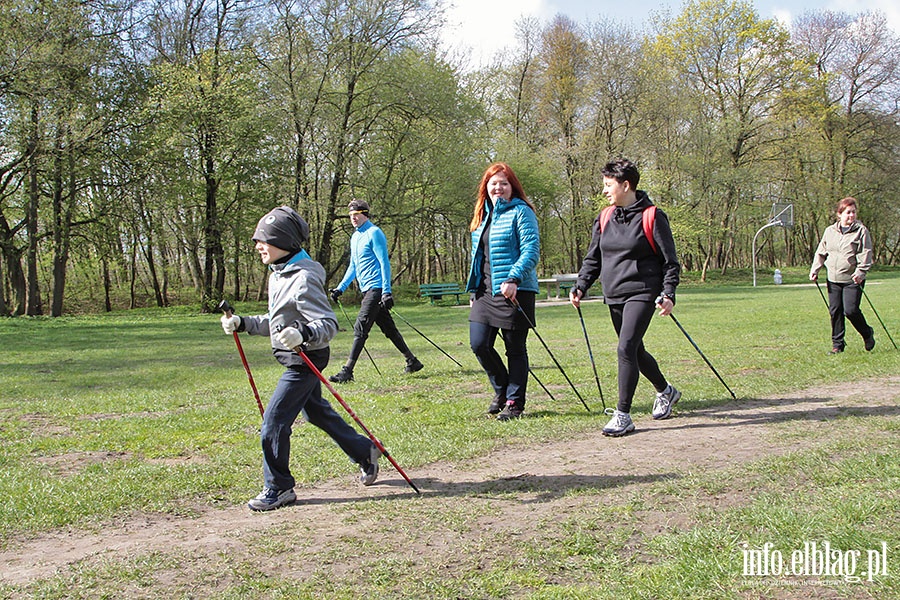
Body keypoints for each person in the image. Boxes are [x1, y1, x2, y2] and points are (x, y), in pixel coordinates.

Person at [221, 206, 380, 511]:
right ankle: (366, 452)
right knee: (316, 413)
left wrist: (304, 333)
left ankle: (279, 487)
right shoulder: (278, 274)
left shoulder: (304, 276)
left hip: (304, 359)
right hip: (293, 355)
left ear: (283, 241)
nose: (258, 246)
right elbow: (276, 321)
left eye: (263, 239)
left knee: (274, 422)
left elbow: (327, 324)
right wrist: (243, 322)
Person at [570, 159, 681, 437]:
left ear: (626, 185)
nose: (605, 191)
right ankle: (666, 391)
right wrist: (581, 285)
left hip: (643, 292)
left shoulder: (653, 216)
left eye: (609, 185)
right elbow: (593, 258)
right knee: (634, 350)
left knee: (625, 348)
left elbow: (670, 262)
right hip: (614, 294)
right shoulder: (605, 217)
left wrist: (668, 294)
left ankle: (623, 415)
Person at [466, 162, 540, 421]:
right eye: (494, 183)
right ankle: (501, 389)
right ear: (486, 187)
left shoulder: (522, 212)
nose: (498, 187)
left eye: (504, 183)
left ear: (512, 187)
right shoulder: (481, 215)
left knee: (515, 349)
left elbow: (531, 250)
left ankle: (514, 402)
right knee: (479, 344)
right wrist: (474, 289)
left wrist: (513, 277)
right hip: (486, 292)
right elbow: (478, 258)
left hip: (515, 289)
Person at [328, 199, 423, 383]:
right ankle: (412, 361)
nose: (353, 219)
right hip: (366, 289)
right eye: (351, 216)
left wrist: (386, 291)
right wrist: (341, 288)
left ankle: (347, 371)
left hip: (376, 288)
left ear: (365, 214)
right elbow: (353, 266)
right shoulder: (355, 237)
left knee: (360, 327)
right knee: (389, 328)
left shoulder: (374, 233)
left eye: (356, 215)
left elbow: (384, 263)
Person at [809, 196, 875, 354]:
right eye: (848, 212)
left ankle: (867, 333)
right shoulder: (829, 231)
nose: (851, 215)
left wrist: (860, 272)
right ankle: (838, 345)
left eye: (853, 212)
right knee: (835, 311)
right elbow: (821, 252)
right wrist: (815, 269)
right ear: (839, 214)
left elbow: (866, 254)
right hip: (833, 278)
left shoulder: (861, 231)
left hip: (852, 278)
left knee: (851, 310)